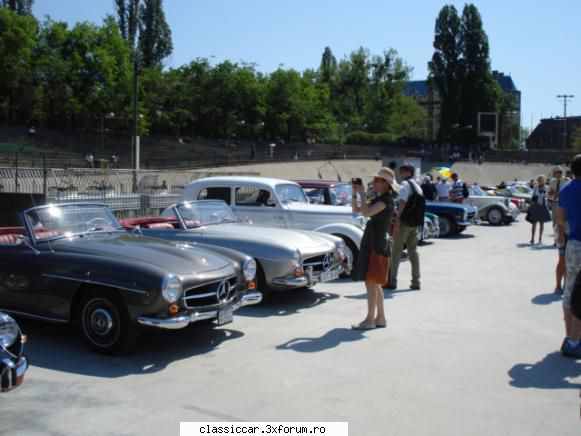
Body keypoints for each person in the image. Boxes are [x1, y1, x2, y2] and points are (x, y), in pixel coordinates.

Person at [350, 168, 398, 330]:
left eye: (377, 180)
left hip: (375, 243)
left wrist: (362, 193)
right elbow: (355, 210)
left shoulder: (386, 200)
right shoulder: (381, 198)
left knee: (371, 282)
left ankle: (370, 320)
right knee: (374, 282)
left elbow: (365, 213)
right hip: (374, 241)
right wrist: (355, 193)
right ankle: (380, 318)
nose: (374, 182)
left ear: (385, 183)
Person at [557, 154, 581, 358]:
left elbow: (560, 220)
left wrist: (562, 242)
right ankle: (575, 341)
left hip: (573, 242)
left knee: (570, 289)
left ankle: (569, 337)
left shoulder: (566, 189)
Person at [386, 163, 422, 291]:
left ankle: (392, 281)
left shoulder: (405, 185)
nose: (400, 174)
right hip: (414, 223)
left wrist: (396, 220)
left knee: (396, 251)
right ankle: (416, 281)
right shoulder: (418, 186)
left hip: (404, 223)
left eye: (401, 171)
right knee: (414, 253)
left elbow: (402, 203)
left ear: (408, 172)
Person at [548, 166, 570, 242]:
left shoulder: (567, 180)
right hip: (555, 203)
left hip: (564, 203)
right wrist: (552, 193)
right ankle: (556, 239)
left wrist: (558, 193)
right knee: (555, 222)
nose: (556, 174)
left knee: (564, 221)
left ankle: (565, 238)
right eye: (555, 173)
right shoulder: (552, 182)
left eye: (558, 172)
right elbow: (549, 193)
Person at [528, 175, 551, 245]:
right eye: (540, 180)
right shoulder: (535, 187)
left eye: (543, 180)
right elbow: (533, 196)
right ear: (538, 181)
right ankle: (532, 238)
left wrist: (546, 194)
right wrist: (530, 206)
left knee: (541, 223)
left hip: (543, 206)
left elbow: (549, 196)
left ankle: (540, 239)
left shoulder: (546, 188)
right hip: (536, 206)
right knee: (534, 223)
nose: (541, 181)